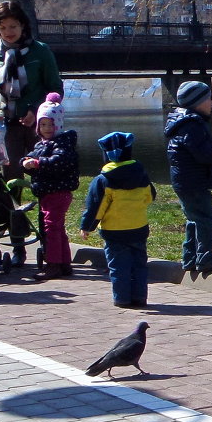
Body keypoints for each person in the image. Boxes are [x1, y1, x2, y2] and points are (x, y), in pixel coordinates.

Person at [0, 0, 62, 265]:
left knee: (44, 184)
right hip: (7, 127)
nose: (8, 32)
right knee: (11, 186)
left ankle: (51, 244)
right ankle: (18, 246)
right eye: (3, 27)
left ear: (23, 25)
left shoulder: (40, 51)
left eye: (13, 26)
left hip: (39, 128)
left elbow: (55, 88)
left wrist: (37, 109)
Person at [80, 132, 155, 308]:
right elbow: (150, 196)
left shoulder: (103, 180)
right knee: (139, 265)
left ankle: (122, 299)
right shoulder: (141, 174)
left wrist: (87, 226)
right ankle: (140, 297)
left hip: (114, 232)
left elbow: (96, 208)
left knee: (118, 266)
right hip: (138, 228)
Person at [164, 80, 212, 274]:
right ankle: (205, 258)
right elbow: (203, 154)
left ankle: (190, 257)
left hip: (184, 182)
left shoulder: (181, 121)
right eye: (209, 98)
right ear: (198, 101)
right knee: (205, 219)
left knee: (193, 219)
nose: (211, 102)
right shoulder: (193, 124)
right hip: (194, 182)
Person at [20, 92, 78, 281]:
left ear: (58, 124)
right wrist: (25, 162)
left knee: (51, 228)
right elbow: (29, 157)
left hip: (58, 190)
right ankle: (64, 262)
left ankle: (53, 263)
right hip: (47, 191)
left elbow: (59, 161)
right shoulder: (41, 144)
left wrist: (38, 163)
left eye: (50, 124)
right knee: (57, 228)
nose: (46, 128)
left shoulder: (63, 143)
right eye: (42, 124)